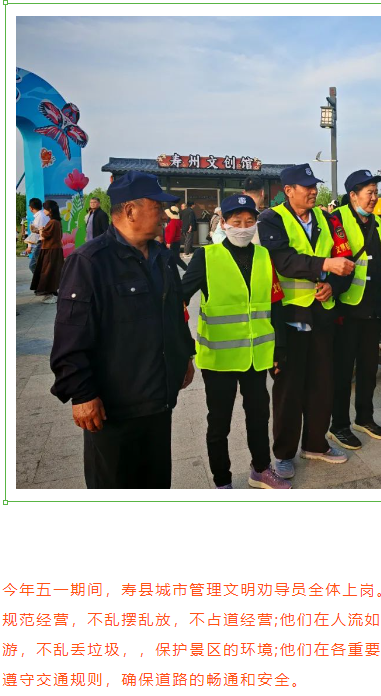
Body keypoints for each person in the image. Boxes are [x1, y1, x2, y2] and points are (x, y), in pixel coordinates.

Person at [50, 171, 195, 489]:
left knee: (156, 486)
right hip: (113, 409)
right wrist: (82, 394)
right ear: (130, 210)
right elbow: (70, 336)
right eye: (157, 207)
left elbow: (175, 313)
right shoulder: (90, 262)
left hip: (158, 401)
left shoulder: (162, 258)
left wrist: (185, 355)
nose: (164, 215)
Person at [181, 194, 290, 490]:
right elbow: (180, 296)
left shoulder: (264, 257)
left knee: (259, 416)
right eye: (236, 221)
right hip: (220, 359)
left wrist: (280, 350)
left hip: (257, 356)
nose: (243, 227)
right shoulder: (207, 257)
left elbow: (275, 304)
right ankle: (222, 482)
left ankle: (261, 469)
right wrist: (182, 347)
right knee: (219, 423)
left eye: (249, 221)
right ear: (224, 224)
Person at [258, 163, 355, 479]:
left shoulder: (328, 220)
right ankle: (284, 453)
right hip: (290, 318)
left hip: (322, 316)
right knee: (288, 389)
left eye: (315, 186)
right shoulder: (272, 219)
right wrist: (325, 264)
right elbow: (282, 261)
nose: (313, 191)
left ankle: (315, 444)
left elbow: (345, 261)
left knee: (322, 385)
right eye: (306, 187)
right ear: (288, 190)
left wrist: (333, 285)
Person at [327, 169, 381, 450]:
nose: (374, 198)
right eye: (369, 193)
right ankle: (338, 425)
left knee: (368, 368)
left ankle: (365, 417)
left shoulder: (378, 224)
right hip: (347, 309)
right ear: (353, 195)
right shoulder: (336, 220)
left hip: (374, 307)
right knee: (343, 371)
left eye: (376, 192)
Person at [30, 200, 64, 304]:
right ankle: (51, 292)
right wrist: (39, 230)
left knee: (48, 272)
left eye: (45, 209)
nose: (43, 211)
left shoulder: (53, 222)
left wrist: (40, 230)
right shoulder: (55, 221)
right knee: (51, 271)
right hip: (52, 249)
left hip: (51, 250)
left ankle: (51, 294)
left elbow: (45, 235)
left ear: (50, 210)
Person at [27, 197, 48, 274]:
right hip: (45, 242)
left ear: (31, 208)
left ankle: (42, 280)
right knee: (38, 265)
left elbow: (36, 233)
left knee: (33, 265)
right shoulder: (43, 215)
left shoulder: (39, 217)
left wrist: (29, 246)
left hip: (41, 243)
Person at [164, 205, 188, 270]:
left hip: (173, 242)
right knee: (172, 259)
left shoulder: (173, 222)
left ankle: (187, 269)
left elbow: (172, 233)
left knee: (176, 258)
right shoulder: (177, 221)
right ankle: (174, 272)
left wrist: (169, 242)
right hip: (176, 241)